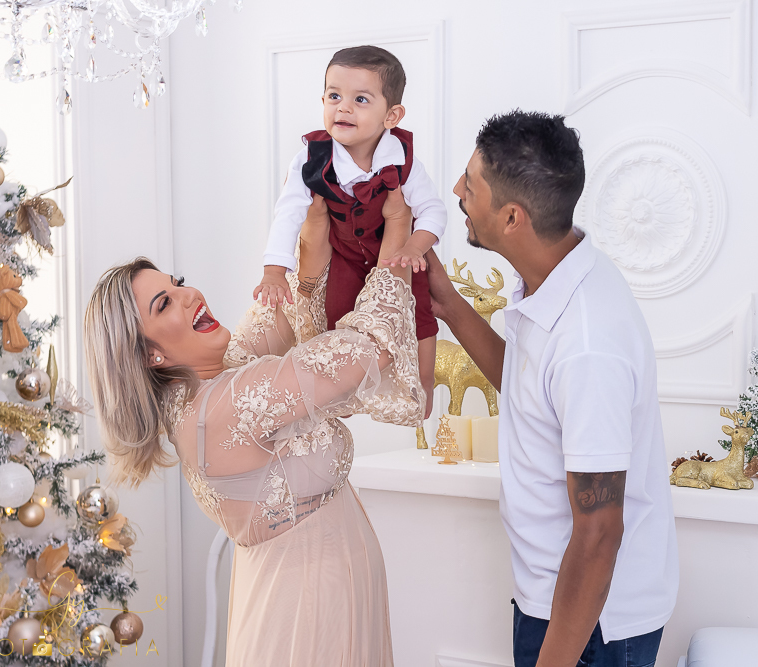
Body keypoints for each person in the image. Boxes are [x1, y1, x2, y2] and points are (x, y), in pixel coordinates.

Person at [84, 190, 423, 666]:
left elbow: (281, 312)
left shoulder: (199, 389)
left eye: (178, 283)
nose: (190, 295)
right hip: (306, 613)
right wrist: (397, 236)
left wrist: (311, 221)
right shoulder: (226, 405)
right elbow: (366, 348)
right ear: (148, 354)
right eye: (165, 303)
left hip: (318, 595)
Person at [422, 111, 678, 667]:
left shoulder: (588, 342)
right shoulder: (554, 277)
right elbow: (530, 388)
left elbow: (599, 532)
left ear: (511, 216)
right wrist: (447, 303)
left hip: (591, 626)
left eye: (471, 183)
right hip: (554, 602)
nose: (458, 192)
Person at [255, 44, 445, 418]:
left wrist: (414, 246)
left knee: (418, 317)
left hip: (393, 257)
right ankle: (343, 398)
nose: (342, 107)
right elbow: (288, 213)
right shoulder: (311, 158)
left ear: (391, 115)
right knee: (338, 323)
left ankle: (421, 391)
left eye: (360, 99)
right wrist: (274, 270)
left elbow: (433, 211)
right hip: (342, 258)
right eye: (334, 96)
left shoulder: (402, 159)